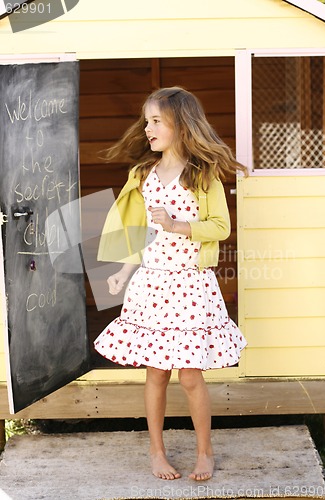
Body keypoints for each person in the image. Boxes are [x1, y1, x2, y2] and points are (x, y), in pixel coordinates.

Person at [94, 86, 247, 481]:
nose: (148, 128)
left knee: (191, 373)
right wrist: (124, 271)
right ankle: (157, 452)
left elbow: (221, 227)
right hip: (152, 285)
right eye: (147, 121)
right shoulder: (143, 174)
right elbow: (141, 231)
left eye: (156, 120)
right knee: (156, 372)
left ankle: (204, 451)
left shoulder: (202, 173)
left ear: (180, 123)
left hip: (191, 285)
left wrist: (178, 225)